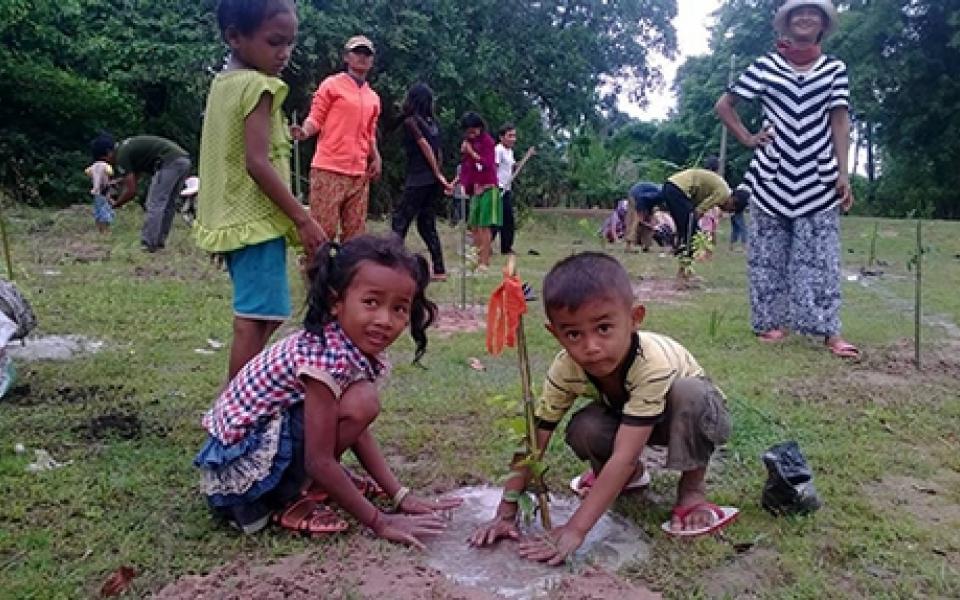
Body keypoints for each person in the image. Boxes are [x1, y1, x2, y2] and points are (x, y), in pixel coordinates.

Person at [469, 252, 737, 561]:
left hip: (685, 417)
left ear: (635, 318)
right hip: (631, 417)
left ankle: (692, 490)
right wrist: (506, 511)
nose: (591, 346)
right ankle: (630, 478)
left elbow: (623, 453)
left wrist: (575, 530)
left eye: (604, 328)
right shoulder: (565, 369)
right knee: (585, 427)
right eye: (573, 334)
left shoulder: (653, 363)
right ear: (554, 333)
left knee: (691, 393)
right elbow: (535, 439)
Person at [196, 234, 462, 540]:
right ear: (336, 302)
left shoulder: (343, 345)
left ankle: (308, 484)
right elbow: (319, 459)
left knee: (359, 402)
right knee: (362, 400)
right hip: (243, 489)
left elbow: (357, 431)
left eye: (399, 309)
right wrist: (380, 522)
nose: (385, 320)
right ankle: (285, 498)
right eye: (371, 302)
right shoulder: (324, 358)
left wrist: (400, 495)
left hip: (263, 446)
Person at [715, 0, 859, 358]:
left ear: (823, 24)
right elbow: (724, 105)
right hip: (771, 173)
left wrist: (844, 172)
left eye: (813, 13)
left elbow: (840, 121)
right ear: (786, 23)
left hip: (819, 174)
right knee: (766, 255)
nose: (805, 17)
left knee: (822, 256)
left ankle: (829, 331)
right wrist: (748, 138)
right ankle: (769, 323)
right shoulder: (765, 66)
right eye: (798, 13)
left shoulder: (834, 70)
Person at [196, 0, 323, 379]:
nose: (284, 53)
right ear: (235, 37)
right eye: (274, 42)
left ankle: (239, 402)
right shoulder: (259, 86)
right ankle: (235, 413)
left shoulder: (224, 84)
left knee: (262, 316)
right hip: (256, 221)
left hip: (235, 218)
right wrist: (302, 218)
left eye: (290, 43)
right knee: (255, 320)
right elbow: (257, 162)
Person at [292, 35, 381, 242]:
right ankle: (314, 272)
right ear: (346, 57)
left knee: (355, 235)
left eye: (367, 53)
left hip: (358, 173)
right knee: (323, 232)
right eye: (357, 52)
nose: (362, 57)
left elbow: (370, 133)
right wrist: (304, 132)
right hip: (329, 168)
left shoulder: (373, 97)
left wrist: (375, 157)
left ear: (372, 60)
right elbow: (316, 117)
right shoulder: (331, 85)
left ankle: (348, 274)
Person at [391, 83, 450, 282]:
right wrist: (439, 175)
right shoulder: (432, 123)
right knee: (426, 224)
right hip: (431, 181)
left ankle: (391, 263)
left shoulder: (411, 122)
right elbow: (438, 150)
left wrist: (436, 172)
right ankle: (439, 268)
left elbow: (424, 147)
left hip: (418, 178)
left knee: (400, 220)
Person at [635, 168, 746, 255]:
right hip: (678, 188)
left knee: (685, 226)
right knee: (691, 231)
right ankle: (685, 264)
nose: (726, 210)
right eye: (730, 209)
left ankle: (679, 250)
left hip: (672, 185)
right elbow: (698, 211)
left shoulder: (721, 189)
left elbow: (695, 205)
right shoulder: (723, 194)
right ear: (733, 200)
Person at [110, 135, 191, 252]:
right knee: (169, 204)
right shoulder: (127, 147)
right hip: (183, 159)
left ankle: (148, 243)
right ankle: (159, 242)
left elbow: (131, 190)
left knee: (155, 203)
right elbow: (133, 178)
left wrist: (116, 204)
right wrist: (118, 183)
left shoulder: (121, 154)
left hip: (168, 162)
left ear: (108, 153)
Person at [457, 112, 500, 271]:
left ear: (479, 128)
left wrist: (472, 153)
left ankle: (484, 262)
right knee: (473, 225)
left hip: (488, 187)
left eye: (472, 130)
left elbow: (487, 164)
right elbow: (467, 167)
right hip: (475, 188)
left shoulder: (487, 142)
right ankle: (475, 259)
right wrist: (459, 184)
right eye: (467, 131)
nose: (470, 134)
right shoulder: (469, 143)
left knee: (484, 226)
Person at [493, 123, 536, 255]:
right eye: (510, 136)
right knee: (496, 220)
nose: (513, 139)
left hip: (507, 189)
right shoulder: (498, 150)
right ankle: (484, 245)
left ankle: (506, 248)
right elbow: (494, 168)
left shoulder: (509, 152)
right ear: (501, 137)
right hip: (498, 188)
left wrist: (526, 158)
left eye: (514, 136)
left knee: (507, 220)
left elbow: (512, 168)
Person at [85, 134, 117, 234]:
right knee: (105, 209)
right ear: (108, 152)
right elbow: (110, 174)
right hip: (104, 191)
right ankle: (106, 231)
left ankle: (100, 229)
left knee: (98, 210)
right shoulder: (106, 166)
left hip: (96, 192)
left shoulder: (93, 166)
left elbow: (87, 172)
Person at [625, 182, 662, 252]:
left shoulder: (661, 194)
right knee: (635, 221)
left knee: (649, 222)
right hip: (636, 196)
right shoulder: (660, 193)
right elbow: (643, 198)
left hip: (643, 199)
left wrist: (650, 221)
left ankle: (646, 245)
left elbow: (651, 204)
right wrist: (641, 217)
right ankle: (628, 246)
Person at [729, 185, 749, 251]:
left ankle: (731, 246)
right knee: (743, 228)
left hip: (732, 210)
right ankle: (744, 246)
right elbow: (742, 205)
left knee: (735, 228)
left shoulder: (738, 191)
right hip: (736, 210)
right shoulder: (746, 195)